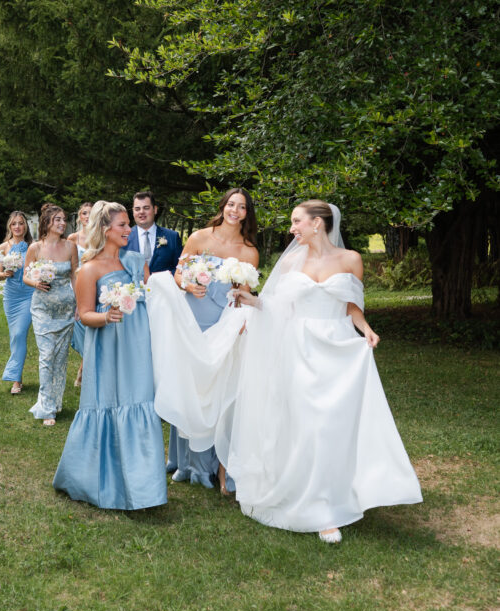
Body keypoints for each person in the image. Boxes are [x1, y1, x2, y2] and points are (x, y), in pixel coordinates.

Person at [147, 200, 422, 542]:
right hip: (299, 350)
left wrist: (365, 328)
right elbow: (277, 306)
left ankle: (341, 492)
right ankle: (320, 510)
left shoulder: (351, 260)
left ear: (318, 224)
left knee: (334, 425)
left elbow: (352, 304)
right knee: (307, 424)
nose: (291, 228)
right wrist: (252, 303)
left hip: (336, 347)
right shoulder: (291, 261)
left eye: (297, 221)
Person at [53, 201, 167, 510]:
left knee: (140, 400)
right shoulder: (88, 270)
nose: (129, 229)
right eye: (123, 225)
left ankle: (145, 489)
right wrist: (107, 317)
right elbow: (84, 314)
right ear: (106, 230)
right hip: (108, 347)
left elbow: (153, 298)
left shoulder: (136, 260)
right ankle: (95, 480)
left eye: (129, 224)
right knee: (108, 402)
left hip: (138, 345)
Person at [166, 188, 259, 493]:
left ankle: (210, 464)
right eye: (231, 204)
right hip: (194, 315)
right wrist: (188, 286)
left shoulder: (249, 250)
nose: (235, 210)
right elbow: (178, 274)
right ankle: (187, 462)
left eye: (242, 207)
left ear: (247, 213)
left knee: (217, 387)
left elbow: (245, 293)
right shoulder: (199, 238)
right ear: (223, 206)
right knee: (191, 384)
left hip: (224, 322)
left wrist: (245, 319)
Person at [23, 204, 78, 426]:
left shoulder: (70, 246)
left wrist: (79, 302)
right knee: (46, 356)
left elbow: (75, 275)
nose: (62, 223)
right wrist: (35, 282)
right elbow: (25, 276)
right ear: (47, 222)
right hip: (42, 308)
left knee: (60, 358)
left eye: (64, 219)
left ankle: (55, 402)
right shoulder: (35, 248)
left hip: (66, 308)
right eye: (57, 220)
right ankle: (46, 407)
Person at [0, 211, 34, 395]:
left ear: (25, 226)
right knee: (14, 336)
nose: (18, 227)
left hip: (28, 294)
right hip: (11, 296)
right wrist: (5, 273)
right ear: (9, 227)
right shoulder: (3, 247)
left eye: (21, 223)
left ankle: (15, 377)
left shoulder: (33, 246)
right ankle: (17, 379)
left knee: (19, 333)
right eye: (14, 224)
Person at [67, 201, 93, 387]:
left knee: (93, 328)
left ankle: (84, 370)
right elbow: (70, 268)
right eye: (84, 213)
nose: (87, 217)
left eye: (91, 213)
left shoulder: (101, 238)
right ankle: (86, 367)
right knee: (79, 329)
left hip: (95, 286)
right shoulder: (72, 239)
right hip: (75, 286)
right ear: (79, 216)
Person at [126, 190, 182, 275]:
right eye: (137, 209)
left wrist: (168, 276)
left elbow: (180, 269)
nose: (141, 212)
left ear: (155, 210)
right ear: (133, 212)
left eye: (146, 208)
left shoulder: (172, 237)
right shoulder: (124, 237)